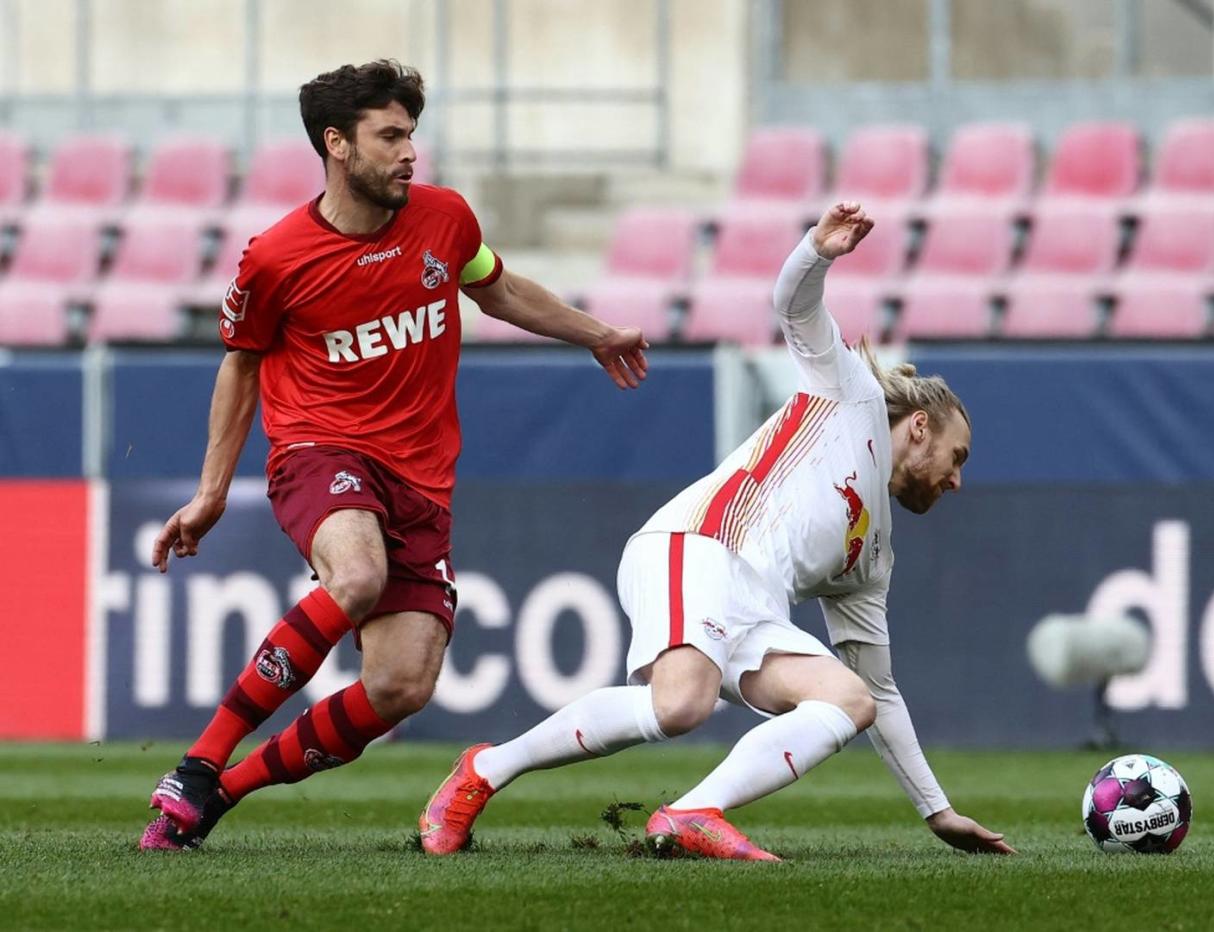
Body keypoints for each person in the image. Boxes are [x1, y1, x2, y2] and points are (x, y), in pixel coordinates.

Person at [139, 59, 648, 851]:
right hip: (319, 448)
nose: (410, 151)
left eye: (412, 133)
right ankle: (199, 759)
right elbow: (241, 362)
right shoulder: (276, 258)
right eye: (391, 136)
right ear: (338, 144)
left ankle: (218, 795)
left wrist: (598, 332)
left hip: (421, 478)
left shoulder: (445, 220)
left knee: (400, 685)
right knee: (358, 576)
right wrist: (211, 492)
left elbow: (498, 288)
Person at [418, 202, 1015, 861]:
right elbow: (793, 309)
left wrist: (939, 812)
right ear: (923, 426)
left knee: (849, 700)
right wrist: (817, 249)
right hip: (698, 544)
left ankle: (695, 811)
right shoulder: (851, 396)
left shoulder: (870, 559)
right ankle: (485, 770)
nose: (957, 479)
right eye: (958, 457)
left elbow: (881, 689)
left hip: (752, 606)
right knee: (681, 706)